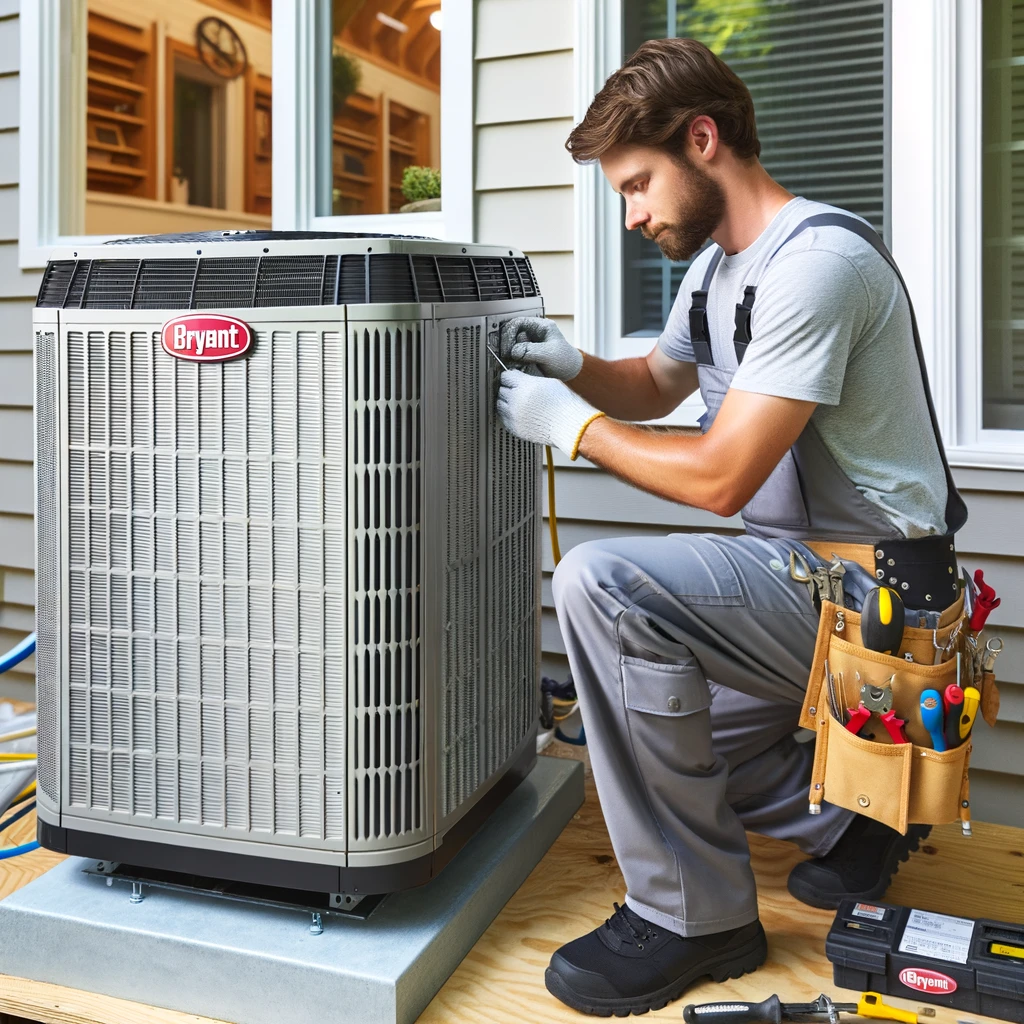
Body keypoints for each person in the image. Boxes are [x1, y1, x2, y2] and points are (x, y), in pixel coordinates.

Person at [495, 37, 967, 1019]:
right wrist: (573, 364)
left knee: (602, 582)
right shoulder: (719, 275)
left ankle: (691, 917)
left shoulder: (817, 264)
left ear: (701, 139)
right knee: (655, 739)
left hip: (877, 599)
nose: (631, 215)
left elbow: (719, 477)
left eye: (636, 184)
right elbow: (654, 383)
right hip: (794, 582)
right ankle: (855, 818)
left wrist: (573, 431)